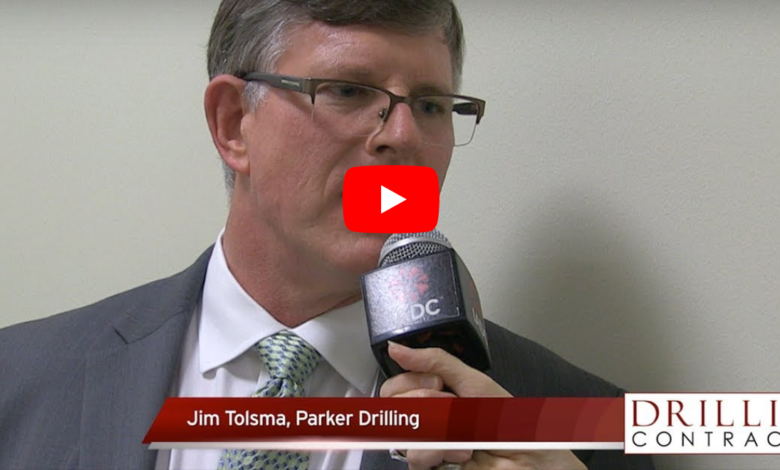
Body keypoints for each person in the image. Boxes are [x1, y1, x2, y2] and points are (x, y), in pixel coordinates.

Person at [0, 1, 654, 469]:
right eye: (347, 90)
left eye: (430, 105)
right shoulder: (20, 379)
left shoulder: (586, 426)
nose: (403, 136)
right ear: (233, 124)